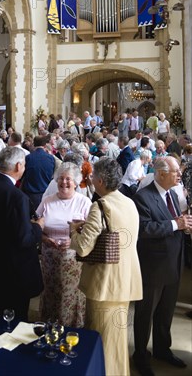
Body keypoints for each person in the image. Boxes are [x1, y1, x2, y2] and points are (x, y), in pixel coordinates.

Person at [70, 158, 143, 376]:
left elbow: (83, 248)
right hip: (125, 279)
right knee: (117, 340)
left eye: (92, 176)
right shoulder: (129, 202)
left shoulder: (100, 205)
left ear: (101, 181)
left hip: (104, 283)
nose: (90, 180)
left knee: (101, 341)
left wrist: (73, 231)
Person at [132, 156, 192, 375]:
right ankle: (140, 354)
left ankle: (162, 350)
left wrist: (183, 226)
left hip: (173, 263)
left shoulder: (172, 194)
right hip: (153, 267)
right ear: (161, 173)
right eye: (176, 171)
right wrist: (175, 223)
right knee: (145, 314)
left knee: (165, 313)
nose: (179, 175)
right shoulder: (143, 198)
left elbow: (172, 222)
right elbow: (144, 230)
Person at [0, 147, 44, 320]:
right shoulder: (17, 197)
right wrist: (37, 227)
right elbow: (24, 239)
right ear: (19, 166)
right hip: (12, 273)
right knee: (13, 320)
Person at [36, 163, 91, 326]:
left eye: (68, 179)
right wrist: (45, 239)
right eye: (61, 179)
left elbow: (90, 231)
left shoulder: (84, 202)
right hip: (49, 258)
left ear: (75, 182)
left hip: (73, 261)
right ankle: (49, 326)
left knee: (70, 294)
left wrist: (74, 240)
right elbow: (35, 225)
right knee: (51, 292)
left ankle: (72, 327)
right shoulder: (47, 201)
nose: (64, 182)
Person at [21, 135, 55, 211]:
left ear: (33, 144)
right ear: (45, 145)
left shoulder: (28, 158)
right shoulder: (51, 158)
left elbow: (23, 174)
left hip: (31, 193)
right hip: (45, 192)